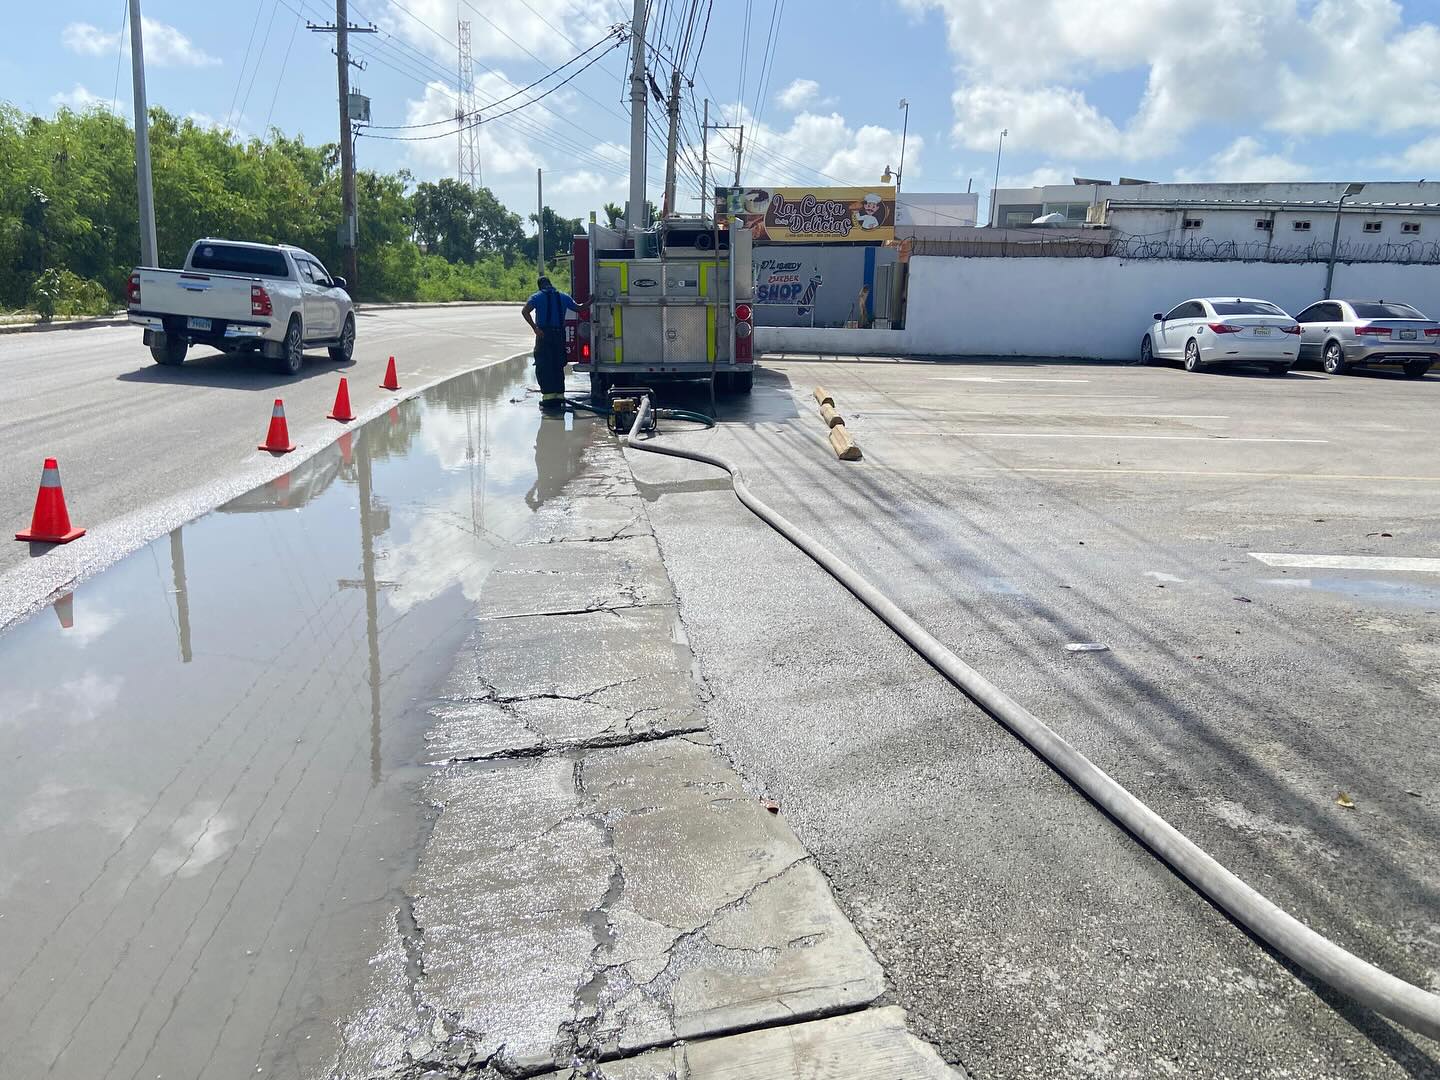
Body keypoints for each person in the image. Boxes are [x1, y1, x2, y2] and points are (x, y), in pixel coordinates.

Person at [522, 275, 579, 411]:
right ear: (550, 284)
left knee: (544, 365)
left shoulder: (536, 297)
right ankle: (559, 396)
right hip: (559, 335)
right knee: (558, 364)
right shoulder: (563, 297)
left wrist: (535, 328)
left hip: (544, 335)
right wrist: (592, 300)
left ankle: (548, 398)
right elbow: (579, 308)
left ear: (540, 286)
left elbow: (525, 311)